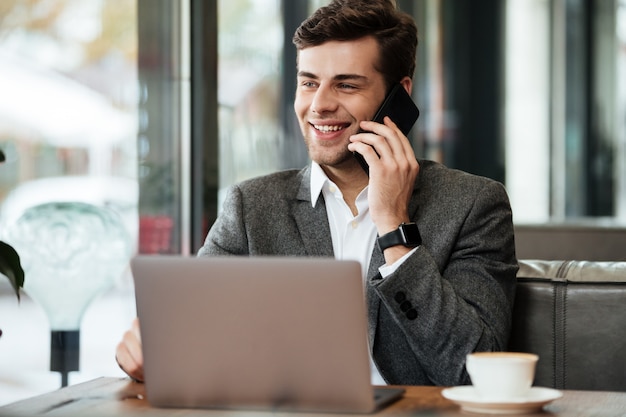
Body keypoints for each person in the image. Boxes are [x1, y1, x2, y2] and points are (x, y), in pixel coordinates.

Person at [116, 0, 518, 386]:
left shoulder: (473, 205)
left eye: (346, 85)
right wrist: (153, 349)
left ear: (399, 96)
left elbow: (474, 372)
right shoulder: (250, 207)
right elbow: (193, 333)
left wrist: (395, 227)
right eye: (309, 83)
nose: (319, 105)